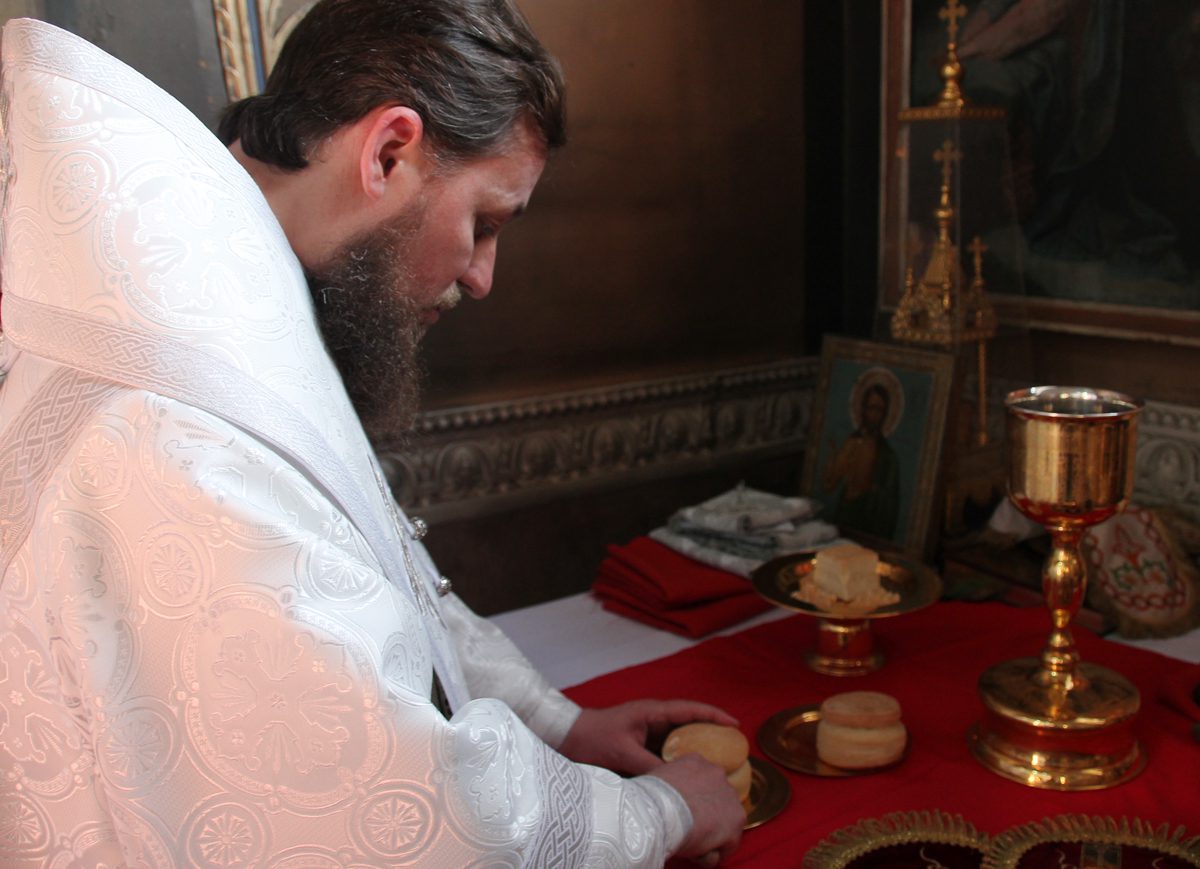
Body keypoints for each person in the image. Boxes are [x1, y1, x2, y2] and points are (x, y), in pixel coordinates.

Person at [0, 2, 745, 865]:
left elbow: (385, 583)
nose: (482, 275)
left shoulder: (235, 297)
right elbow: (385, 812)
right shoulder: (182, 412)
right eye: (484, 222)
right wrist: (659, 815)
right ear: (389, 152)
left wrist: (559, 723)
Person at [821, 381, 901, 542]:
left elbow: (891, 499)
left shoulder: (888, 455)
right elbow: (830, 484)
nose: (874, 415)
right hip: (847, 514)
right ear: (863, 409)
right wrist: (833, 456)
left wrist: (873, 490)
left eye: (879, 410)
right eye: (871, 408)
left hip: (871, 518)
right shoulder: (851, 443)